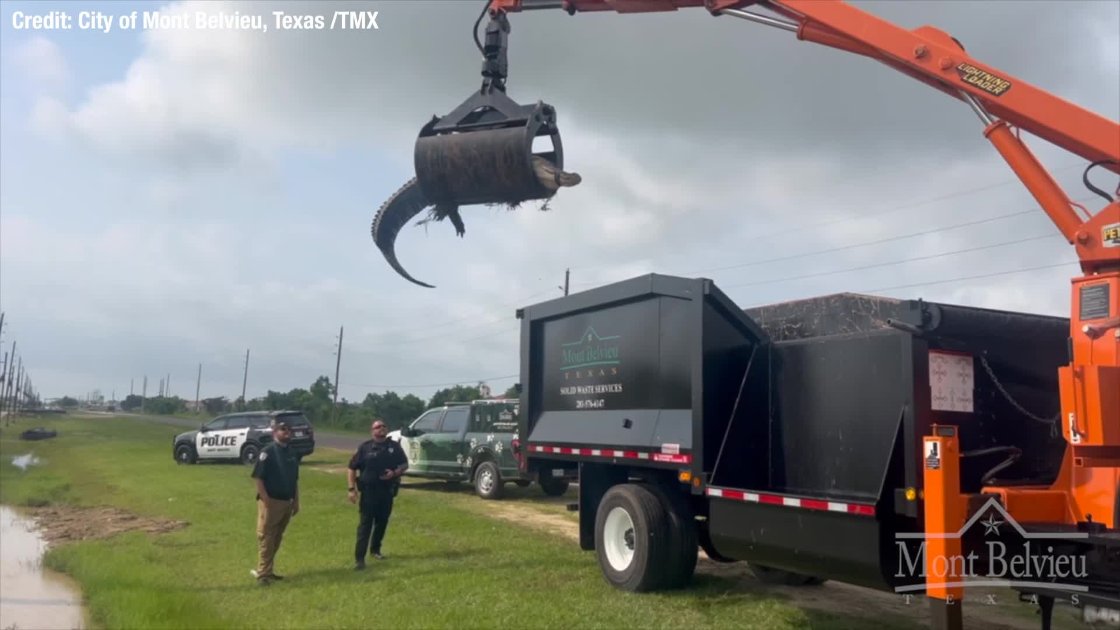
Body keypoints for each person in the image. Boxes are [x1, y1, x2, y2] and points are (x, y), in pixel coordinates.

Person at [347, 418, 408, 569]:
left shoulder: (394, 447)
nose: (381, 428)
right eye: (377, 427)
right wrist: (351, 489)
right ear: (372, 431)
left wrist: (394, 472)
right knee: (365, 525)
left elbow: (404, 464)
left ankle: (375, 549)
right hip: (368, 492)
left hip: (387, 491)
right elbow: (351, 467)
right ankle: (359, 559)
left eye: (383, 426)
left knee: (382, 522)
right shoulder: (365, 448)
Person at [250, 418, 301, 585]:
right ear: (275, 433)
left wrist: (296, 501)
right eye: (283, 429)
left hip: (287, 501)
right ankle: (263, 574)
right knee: (267, 537)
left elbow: (295, 480)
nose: (287, 432)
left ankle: (268, 570)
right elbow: (258, 478)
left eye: (289, 430)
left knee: (277, 537)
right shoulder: (268, 451)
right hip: (271, 502)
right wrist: (265, 499)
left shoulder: (292, 453)